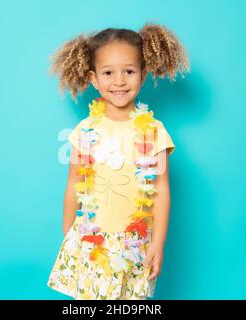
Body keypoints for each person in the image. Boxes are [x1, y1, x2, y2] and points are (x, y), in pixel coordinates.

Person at [47, 22, 190, 300]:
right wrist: (69, 235)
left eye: (129, 71)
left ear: (143, 75)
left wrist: (158, 242)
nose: (120, 81)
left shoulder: (153, 131)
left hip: (134, 244)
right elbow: (74, 184)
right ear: (94, 79)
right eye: (108, 73)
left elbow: (161, 189)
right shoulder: (84, 132)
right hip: (92, 241)